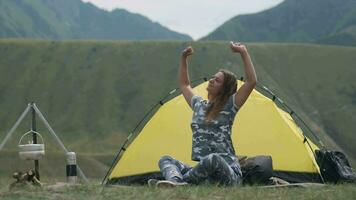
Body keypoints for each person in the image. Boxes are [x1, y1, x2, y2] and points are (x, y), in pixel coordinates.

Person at [151, 41, 257, 187]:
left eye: (217, 80)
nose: (212, 80)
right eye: (213, 77)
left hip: (228, 174)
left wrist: (243, 52)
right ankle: (175, 183)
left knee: (212, 159)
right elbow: (184, 84)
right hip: (205, 174)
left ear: (225, 88)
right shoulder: (199, 105)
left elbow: (251, 81)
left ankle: (178, 182)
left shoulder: (230, 105)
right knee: (165, 159)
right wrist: (183, 59)